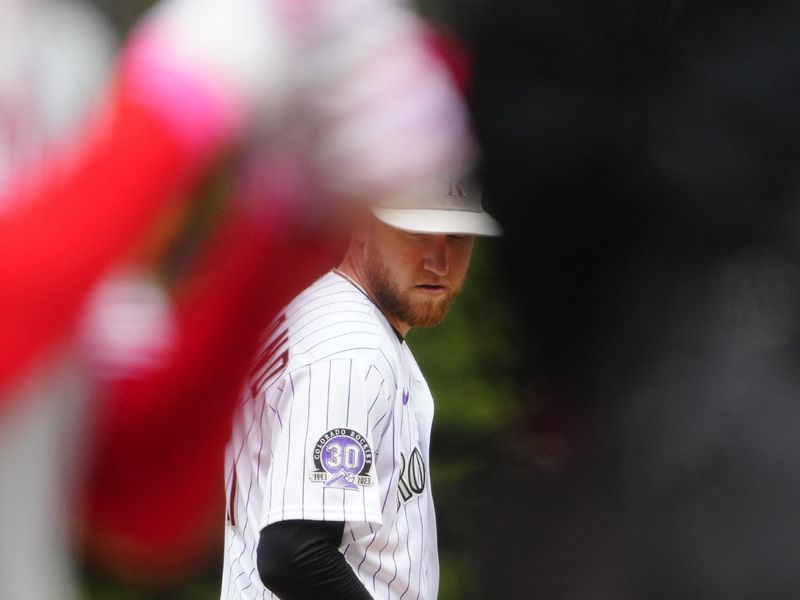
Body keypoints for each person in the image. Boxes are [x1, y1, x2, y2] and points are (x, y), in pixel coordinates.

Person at [221, 178, 500, 599]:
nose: (439, 261)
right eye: (417, 232)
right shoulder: (350, 350)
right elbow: (294, 553)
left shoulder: (332, 318)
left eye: (458, 236)